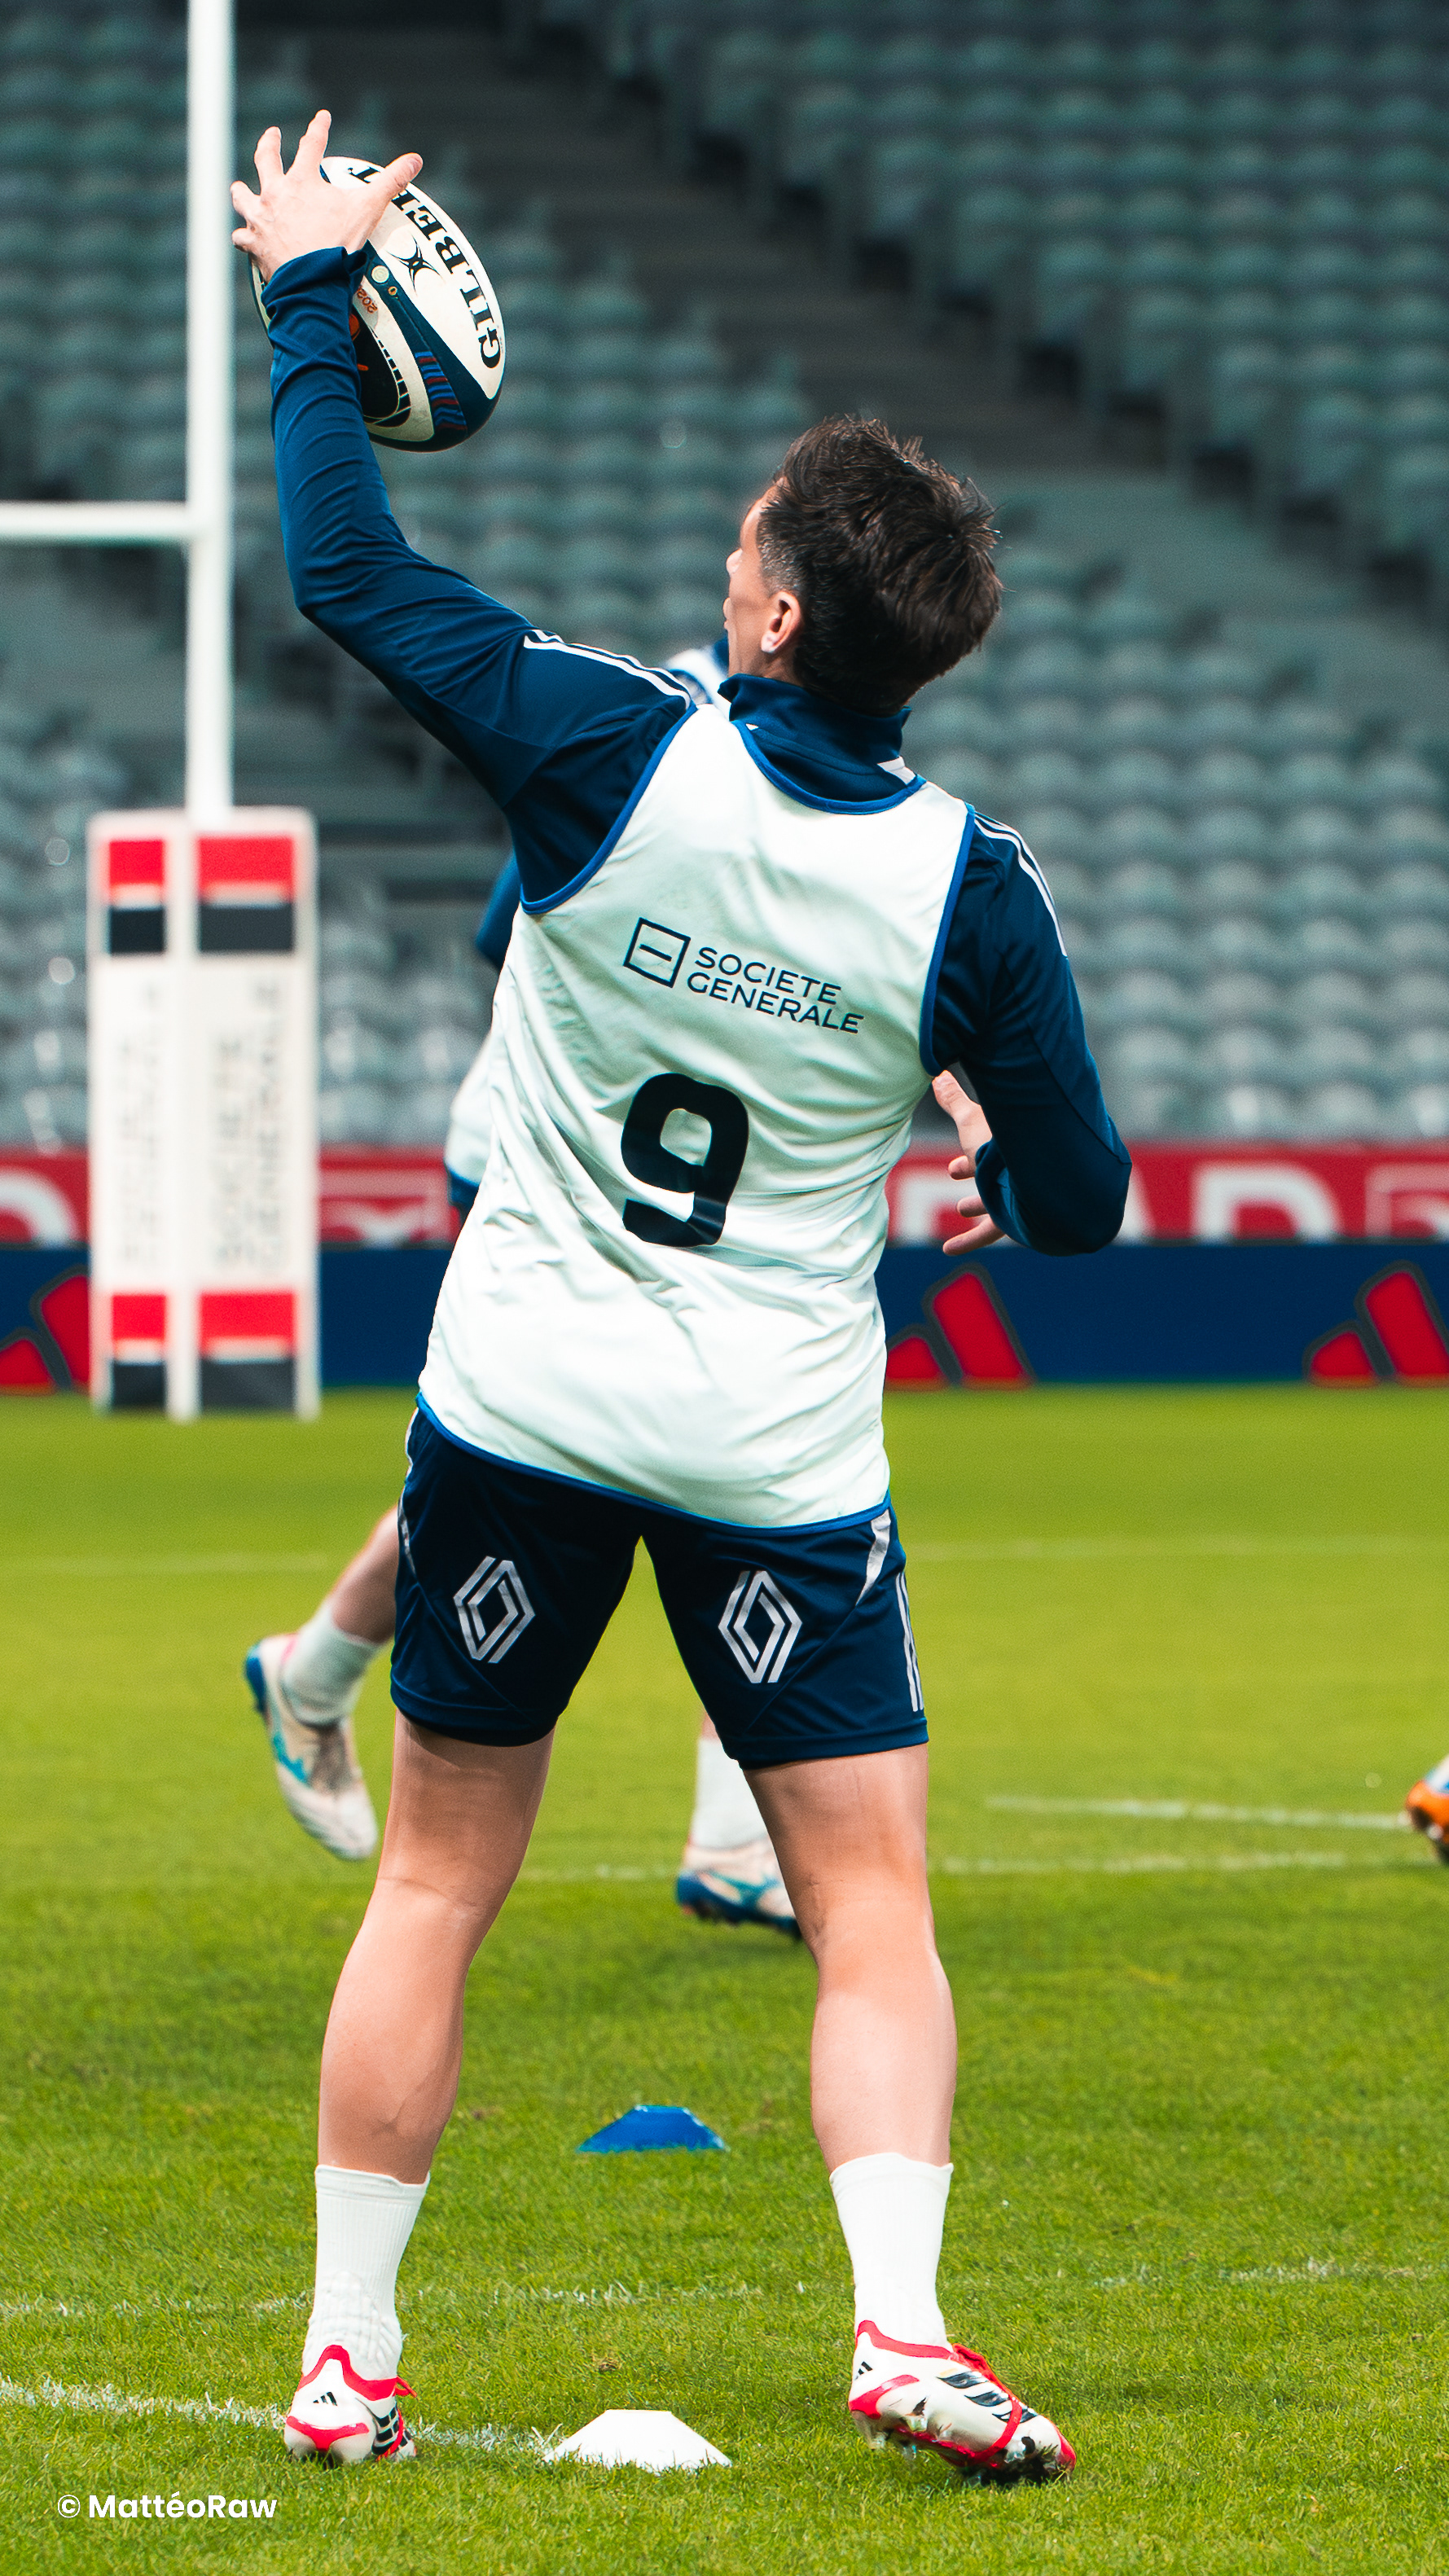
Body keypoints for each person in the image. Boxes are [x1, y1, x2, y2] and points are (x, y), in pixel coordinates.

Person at [231, 112, 1128, 2482]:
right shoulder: (974, 893)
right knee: (868, 1903)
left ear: (772, 618)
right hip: (773, 1449)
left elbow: (342, 567)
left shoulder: (602, 748)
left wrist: (309, 290)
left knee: (438, 1877)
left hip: (523, 1402)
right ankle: (902, 2329)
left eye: (744, 543)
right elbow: (1081, 1202)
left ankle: (346, 2359)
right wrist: (982, 1153)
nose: (726, 560)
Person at [246, 682, 798, 1932]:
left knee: (670, 1449)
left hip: (668, 1161)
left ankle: (317, 1670)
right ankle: (321, 1674)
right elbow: (514, 922)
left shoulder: (822, 740)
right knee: (616, 1455)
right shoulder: (669, 722)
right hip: (556, 1146)